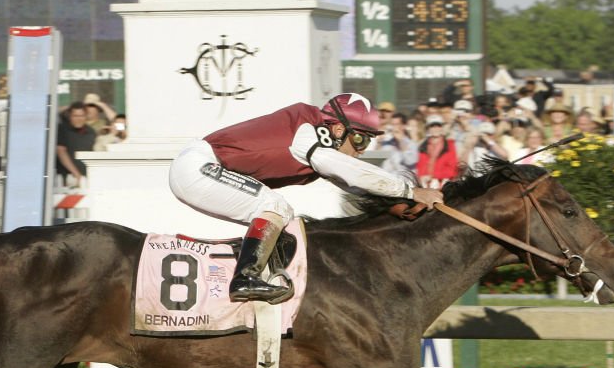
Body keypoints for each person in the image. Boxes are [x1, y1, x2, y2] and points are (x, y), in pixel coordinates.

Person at [168, 93, 444, 303]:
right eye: (360, 140)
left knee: (281, 217)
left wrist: (393, 205)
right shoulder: (308, 134)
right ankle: (245, 279)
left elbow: (351, 183)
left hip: (201, 167)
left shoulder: (317, 141)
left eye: (368, 143)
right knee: (274, 206)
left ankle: (257, 275)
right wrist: (410, 191)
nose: (362, 150)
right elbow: (348, 171)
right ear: (337, 130)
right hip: (198, 167)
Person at [56, 102, 96, 188]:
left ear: (86, 116)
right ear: (70, 116)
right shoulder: (62, 129)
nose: (79, 119)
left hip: (88, 178)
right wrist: (77, 175)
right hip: (67, 179)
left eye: (81, 116)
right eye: (75, 116)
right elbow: (61, 152)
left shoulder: (91, 132)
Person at [416, 115, 459, 188]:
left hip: (444, 184)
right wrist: (422, 178)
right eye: (432, 126)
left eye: (438, 126)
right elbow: (420, 167)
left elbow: (453, 169)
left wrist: (432, 175)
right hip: (425, 185)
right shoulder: (423, 146)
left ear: (442, 128)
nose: (435, 129)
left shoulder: (450, 145)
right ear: (427, 129)